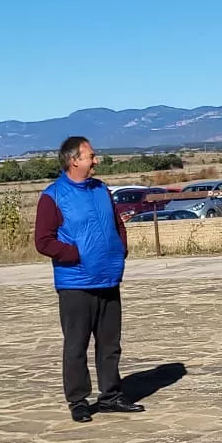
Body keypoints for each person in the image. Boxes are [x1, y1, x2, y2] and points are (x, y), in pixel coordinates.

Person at [35, 137, 143, 423]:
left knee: (110, 344)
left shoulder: (100, 189)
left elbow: (116, 223)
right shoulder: (53, 196)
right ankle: (78, 400)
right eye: (90, 156)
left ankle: (111, 396)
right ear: (74, 160)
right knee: (76, 345)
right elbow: (43, 241)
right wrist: (75, 254)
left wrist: (120, 249)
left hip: (108, 278)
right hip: (76, 283)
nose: (96, 160)